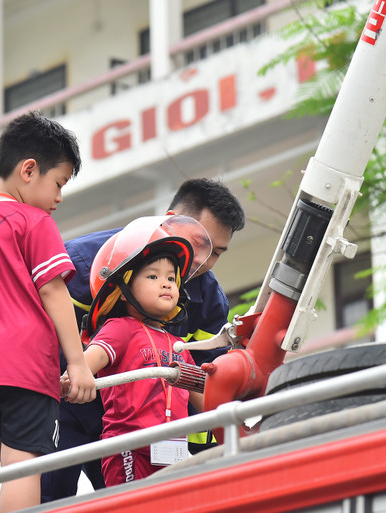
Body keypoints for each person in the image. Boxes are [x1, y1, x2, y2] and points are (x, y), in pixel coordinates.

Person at [41, 178, 245, 501]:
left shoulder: (210, 303)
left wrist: (231, 431)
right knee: (50, 498)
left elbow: (205, 384)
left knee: (160, 500)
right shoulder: (79, 266)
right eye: (198, 243)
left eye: (215, 252)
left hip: (156, 435)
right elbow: (46, 347)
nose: (202, 261)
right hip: (66, 408)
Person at [0, 111, 96, 512]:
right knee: (21, 464)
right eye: (58, 183)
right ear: (29, 170)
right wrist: (77, 364)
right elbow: (53, 290)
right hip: (23, 366)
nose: (59, 197)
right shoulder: (34, 220)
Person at [73, 215, 210, 485]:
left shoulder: (178, 346)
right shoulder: (119, 329)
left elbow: (205, 400)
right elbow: (85, 365)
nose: (167, 283)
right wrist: (74, 380)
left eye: (171, 277)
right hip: (130, 447)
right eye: (153, 276)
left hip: (175, 453)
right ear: (122, 289)